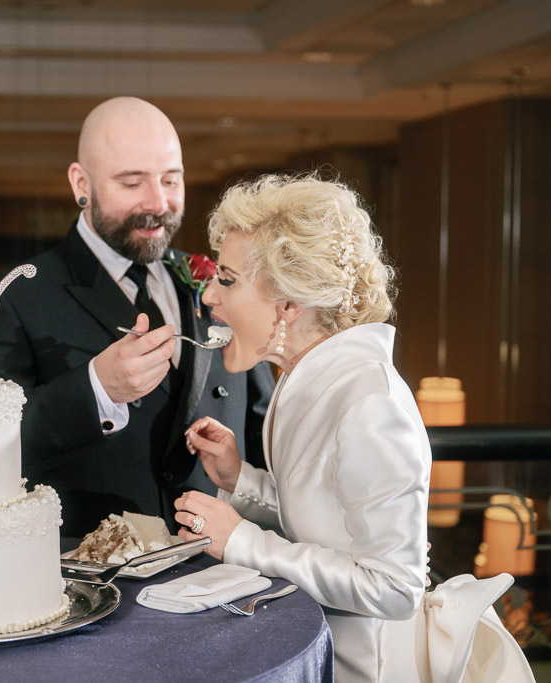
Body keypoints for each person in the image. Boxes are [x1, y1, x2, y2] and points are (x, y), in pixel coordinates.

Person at [0, 97, 275, 535]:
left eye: (171, 180)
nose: (158, 202)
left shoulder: (222, 282)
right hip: (89, 574)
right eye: (132, 183)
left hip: (217, 566)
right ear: (82, 183)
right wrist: (96, 388)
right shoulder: (14, 295)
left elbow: (264, 433)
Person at [174, 173, 431, 682]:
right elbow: (326, 516)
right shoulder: (302, 377)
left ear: (289, 305)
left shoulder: (370, 402)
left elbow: (395, 589)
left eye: (226, 280)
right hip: (308, 653)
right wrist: (240, 480)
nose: (208, 299)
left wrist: (241, 541)